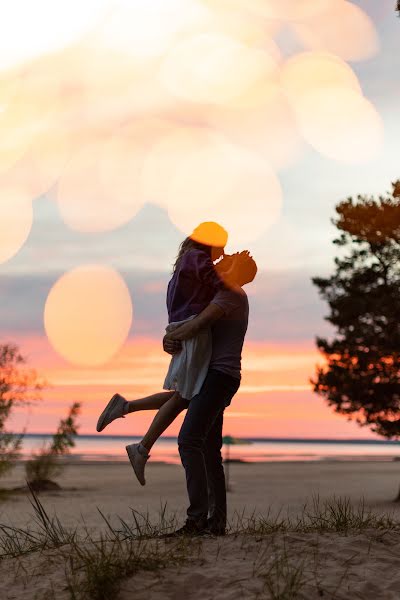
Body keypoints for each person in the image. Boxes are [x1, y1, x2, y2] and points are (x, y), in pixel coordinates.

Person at [96, 222, 246, 482]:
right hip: (190, 327)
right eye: (220, 250)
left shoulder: (183, 265)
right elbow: (215, 284)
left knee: (182, 395)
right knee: (183, 397)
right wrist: (232, 271)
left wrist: (171, 334)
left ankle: (126, 408)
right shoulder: (198, 260)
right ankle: (141, 447)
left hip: (182, 325)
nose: (221, 256)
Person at [162, 254, 257, 537]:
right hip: (213, 377)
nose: (218, 263)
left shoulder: (232, 294)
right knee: (209, 451)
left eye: (225, 261)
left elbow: (199, 324)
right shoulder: (224, 293)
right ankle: (216, 523)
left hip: (219, 378)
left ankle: (197, 519)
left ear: (235, 271)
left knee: (189, 440)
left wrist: (171, 337)